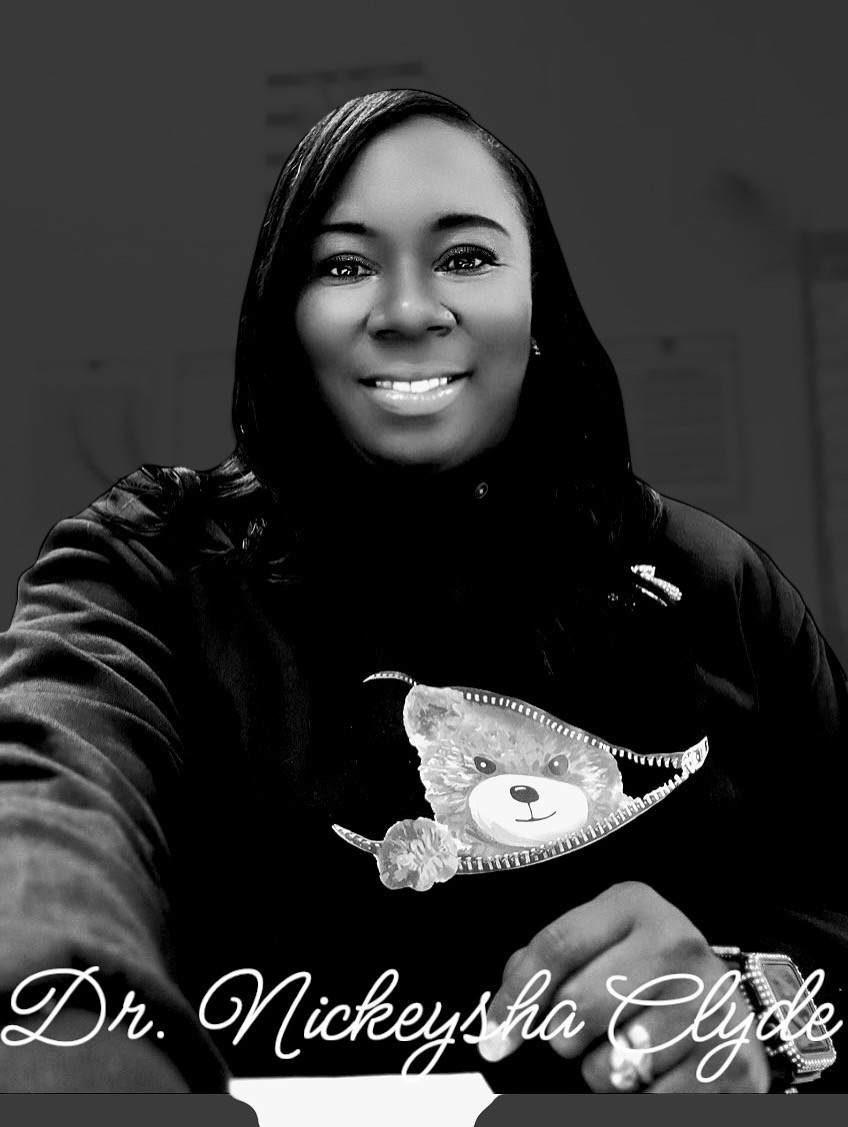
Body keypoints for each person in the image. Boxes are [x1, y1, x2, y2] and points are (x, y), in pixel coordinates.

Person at [0, 88, 845, 1096]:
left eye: (466, 257)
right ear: (285, 316)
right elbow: (47, 808)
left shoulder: (715, 588)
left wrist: (750, 1011)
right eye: (344, 266)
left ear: (539, 304)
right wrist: (66, 1037)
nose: (406, 311)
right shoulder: (151, 567)